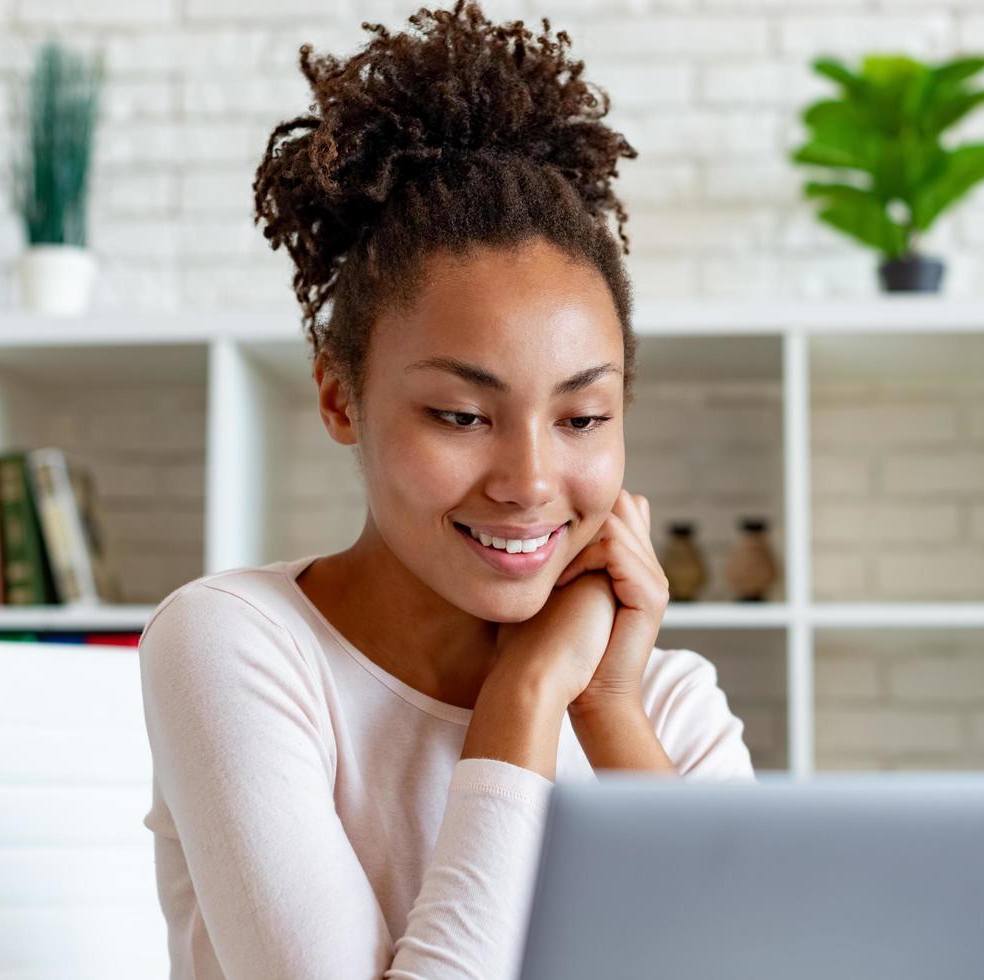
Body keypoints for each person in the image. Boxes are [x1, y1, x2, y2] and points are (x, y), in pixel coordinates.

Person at [137, 3, 757, 978]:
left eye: (581, 417)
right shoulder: (235, 643)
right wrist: (524, 695)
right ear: (340, 397)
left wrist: (602, 705)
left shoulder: (661, 700)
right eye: (461, 416)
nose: (530, 481)